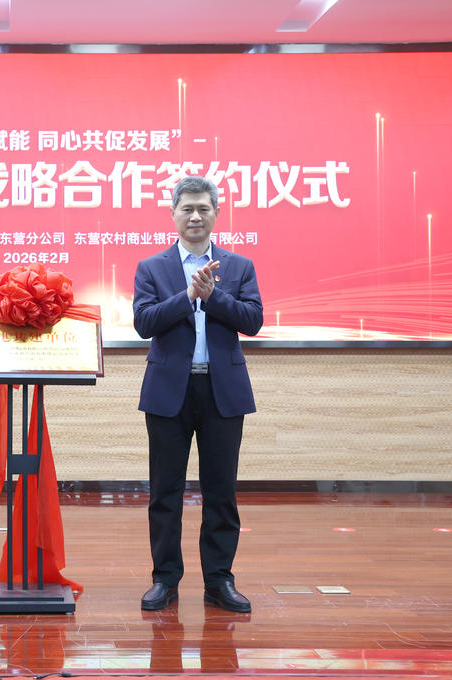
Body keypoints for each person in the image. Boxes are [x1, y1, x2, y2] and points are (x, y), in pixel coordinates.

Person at [132, 175, 263, 613]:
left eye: (203, 208)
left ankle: (219, 580)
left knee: (221, 491)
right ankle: (164, 580)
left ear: (216, 214)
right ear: (173, 214)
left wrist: (214, 297)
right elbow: (144, 322)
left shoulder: (239, 266)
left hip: (222, 391)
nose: (195, 216)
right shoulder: (152, 267)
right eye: (186, 208)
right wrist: (189, 295)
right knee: (164, 492)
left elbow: (253, 320)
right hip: (169, 391)